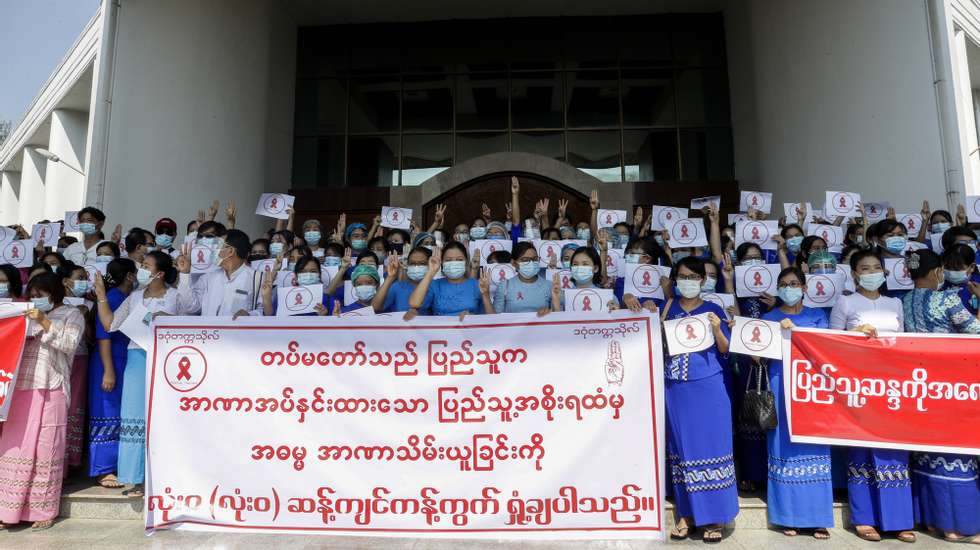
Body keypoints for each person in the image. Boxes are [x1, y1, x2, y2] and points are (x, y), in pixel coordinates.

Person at [828, 249, 915, 542]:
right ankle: (863, 517)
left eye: (876, 267)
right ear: (854, 274)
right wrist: (855, 338)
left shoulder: (895, 304)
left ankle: (899, 518)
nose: (871, 272)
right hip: (858, 387)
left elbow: (902, 342)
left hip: (890, 386)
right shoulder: (845, 302)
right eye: (864, 268)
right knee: (861, 449)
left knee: (893, 449)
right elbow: (828, 344)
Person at [901, 249, 980, 543]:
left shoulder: (904, 301)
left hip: (919, 386)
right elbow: (976, 332)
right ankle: (960, 524)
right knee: (955, 453)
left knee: (928, 450)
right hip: (950, 385)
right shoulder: (946, 298)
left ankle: (933, 519)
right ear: (937, 273)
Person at [94, 251, 187, 497]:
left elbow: (194, 320)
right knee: (133, 415)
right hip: (137, 357)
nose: (141, 270)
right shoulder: (134, 297)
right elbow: (110, 324)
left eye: (146, 266)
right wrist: (102, 297)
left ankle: (163, 477)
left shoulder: (176, 296)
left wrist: (170, 319)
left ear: (160, 273)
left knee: (162, 416)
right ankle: (136, 478)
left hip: (167, 358)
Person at [0, 273, 85, 530]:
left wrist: (45, 322)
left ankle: (43, 510)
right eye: (33, 295)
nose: (36, 300)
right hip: (20, 387)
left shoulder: (72, 314)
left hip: (51, 386)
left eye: (41, 295)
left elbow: (70, 344)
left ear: (54, 293)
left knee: (47, 447)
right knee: (15, 448)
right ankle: (7, 509)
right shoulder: (22, 314)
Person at [663, 256, 738, 543]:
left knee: (711, 448)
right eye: (682, 276)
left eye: (694, 277)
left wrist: (718, 328)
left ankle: (715, 517)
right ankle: (686, 514)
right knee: (681, 450)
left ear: (703, 281)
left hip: (708, 388)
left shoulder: (713, 309)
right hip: (675, 388)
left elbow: (727, 350)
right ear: (675, 279)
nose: (688, 282)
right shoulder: (666, 308)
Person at [755, 267, 833, 539]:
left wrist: (795, 331)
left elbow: (826, 348)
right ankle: (787, 516)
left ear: (805, 287)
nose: (789, 288)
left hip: (811, 387)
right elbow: (757, 359)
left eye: (794, 283)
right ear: (778, 289)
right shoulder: (768, 318)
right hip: (779, 384)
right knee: (782, 447)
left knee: (815, 446)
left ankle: (818, 517)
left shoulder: (818, 316)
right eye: (784, 284)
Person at [86, 258, 135, 489]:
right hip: (109, 362)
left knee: (119, 414)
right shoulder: (112, 297)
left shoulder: (127, 298)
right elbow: (104, 337)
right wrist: (108, 371)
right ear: (129, 276)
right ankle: (103, 469)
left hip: (123, 361)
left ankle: (118, 464)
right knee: (106, 412)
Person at [176, 229, 261, 317]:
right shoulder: (208, 277)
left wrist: (249, 315)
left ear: (230, 251)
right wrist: (185, 273)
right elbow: (190, 307)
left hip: (237, 330)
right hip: (209, 330)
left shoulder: (256, 278)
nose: (212, 250)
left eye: (217, 246)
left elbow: (264, 312)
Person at [409, 242, 493, 318]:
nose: (454, 263)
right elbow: (414, 303)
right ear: (442, 262)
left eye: (459, 260)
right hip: (441, 333)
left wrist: (485, 294)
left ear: (466, 262)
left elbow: (493, 320)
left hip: (469, 333)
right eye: (448, 260)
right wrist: (431, 271)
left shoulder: (476, 285)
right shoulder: (435, 285)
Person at [492, 242, 555, 314]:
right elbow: (496, 317)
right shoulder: (505, 286)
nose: (531, 263)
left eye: (534, 259)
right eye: (525, 259)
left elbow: (556, 317)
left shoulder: (549, 286)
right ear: (513, 263)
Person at [373, 247, 432, 315]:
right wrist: (390, 277)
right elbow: (375, 307)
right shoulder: (398, 286)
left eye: (422, 263)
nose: (416, 266)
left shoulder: (434, 286)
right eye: (412, 263)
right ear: (407, 265)